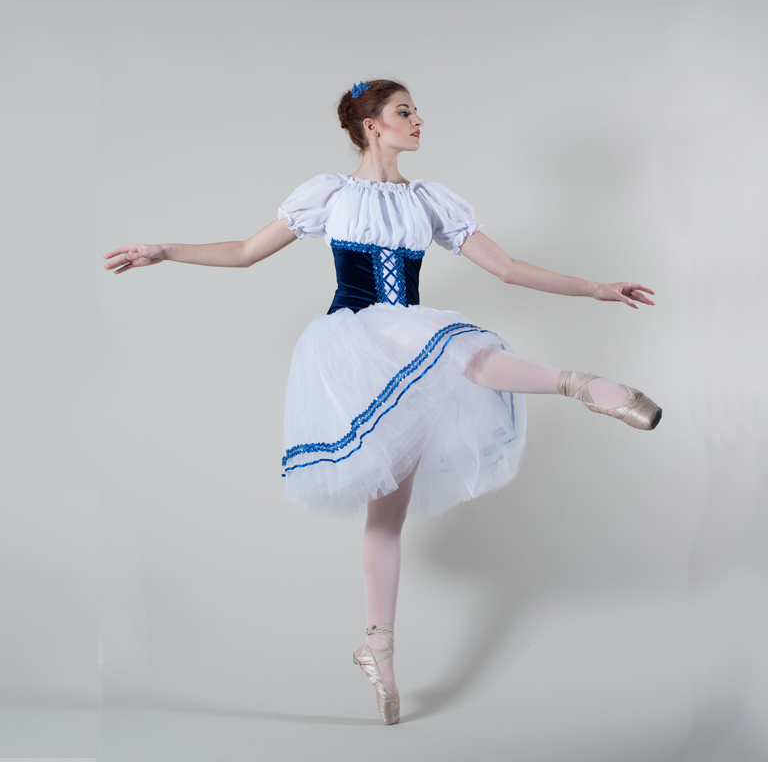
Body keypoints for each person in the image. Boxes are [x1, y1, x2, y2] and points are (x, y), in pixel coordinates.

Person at [103, 78, 661, 725]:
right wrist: (164, 250)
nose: (419, 120)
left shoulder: (431, 203)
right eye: (405, 112)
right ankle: (580, 385)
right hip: (355, 349)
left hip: (409, 348)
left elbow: (506, 268)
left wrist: (596, 289)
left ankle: (378, 648)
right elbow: (246, 252)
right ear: (372, 125)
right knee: (440, 401)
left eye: (416, 111)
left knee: (437, 411)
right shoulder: (330, 197)